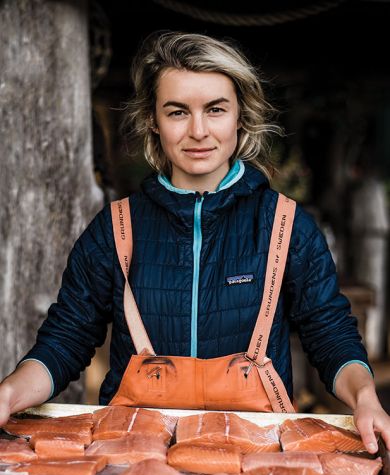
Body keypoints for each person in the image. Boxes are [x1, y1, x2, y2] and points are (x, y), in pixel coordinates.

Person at [0, 31, 389, 453]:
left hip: (253, 456)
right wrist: (9, 393)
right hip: (133, 452)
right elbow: (67, 337)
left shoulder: (287, 226)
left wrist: (366, 398)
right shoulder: (115, 228)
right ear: (153, 119)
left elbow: (329, 333)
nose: (198, 131)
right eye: (177, 112)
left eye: (215, 109)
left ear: (240, 115)